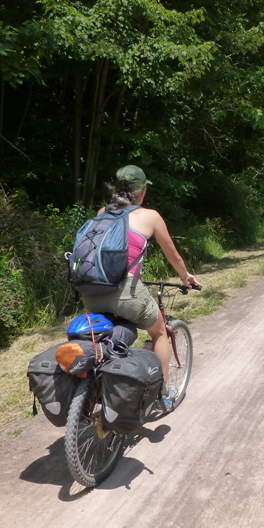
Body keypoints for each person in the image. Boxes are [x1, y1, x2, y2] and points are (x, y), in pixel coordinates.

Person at [80, 165, 200, 399]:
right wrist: (186, 278)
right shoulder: (150, 216)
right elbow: (173, 256)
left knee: (111, 333)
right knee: (159, 334)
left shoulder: (102, 211)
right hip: (126, 292)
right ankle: (162, 392)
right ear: (142, 191)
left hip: (91, 292)